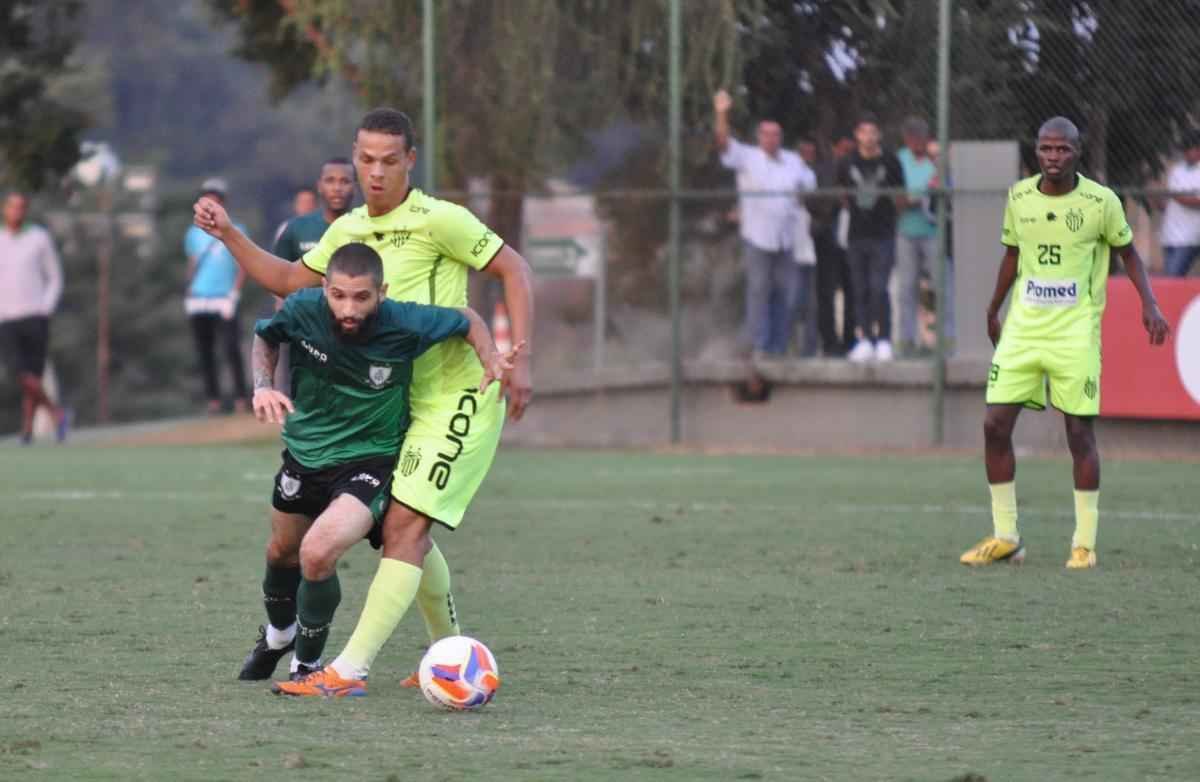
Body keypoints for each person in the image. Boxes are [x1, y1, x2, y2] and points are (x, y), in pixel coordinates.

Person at [193, 107, 534, 697]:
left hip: (459, 392)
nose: (376, 172)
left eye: (389, 160)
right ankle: (447, 649)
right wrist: (228, 233)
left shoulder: (439, 219)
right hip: (403, 403)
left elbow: (514, 268)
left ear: (410, 162)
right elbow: (285, 282)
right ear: (355, 159)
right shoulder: (346, 230)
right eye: (366, 159)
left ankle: (345, 672)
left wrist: (517, 360)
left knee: (403, 521)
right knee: (400, 531)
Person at [238, 242, 516, 684]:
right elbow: (267, 337)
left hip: (369, 462)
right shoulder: (303, 309)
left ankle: (308, 666)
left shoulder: (404, 321)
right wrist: (262, 386)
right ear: (325, 288)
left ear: (381, 292)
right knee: (281, 552)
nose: (349, 308)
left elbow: (466, 318)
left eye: (362, 297)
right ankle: (279, 635)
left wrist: (490, 357)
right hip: (305, 452)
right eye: (339, 295)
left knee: (317, 552)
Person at [960, 117, 1170, 570]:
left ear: (1077, 152)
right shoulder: (1019, 197)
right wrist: (993, 308)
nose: (1053, 157)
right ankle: (1006, 538)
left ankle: (1084, 545)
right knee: (994, 426)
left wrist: (1149, 305)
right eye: (1045, 149)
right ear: (1036, 151)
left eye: (1062, 150)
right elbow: (1013, 255)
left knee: (1078, 433)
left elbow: (1128, 253)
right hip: (1023, 329)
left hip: (1075, 331)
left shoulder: (1101, 202)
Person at [713, 89, 817, 357]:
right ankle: (758, 345)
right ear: (759, 137)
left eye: (776, 135)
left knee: (786, 294)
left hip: (786, 238)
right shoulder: (747, 156)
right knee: (758, 291)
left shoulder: (793, 161)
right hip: (757, 236)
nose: (771, 139)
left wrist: (803, 196)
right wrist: (722, 113)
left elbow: (809, 185)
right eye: (766, 134)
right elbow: (723, 143)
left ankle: (778, 347)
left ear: (781, 138)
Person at [271, 158, 356, 387]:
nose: (337, 187)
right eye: (330, 181)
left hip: (354, 329)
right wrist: (282, 314)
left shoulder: (365, 227)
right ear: (319, 185)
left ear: (355, 186)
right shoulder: (296, 228)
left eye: (345, 181)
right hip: (305, 330)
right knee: (304, 396)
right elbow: (279, 275)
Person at [0, 191, 69, 444]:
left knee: (33, 375)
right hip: (7, 316)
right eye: (12, 207)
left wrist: (46, 307)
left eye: (21, 207)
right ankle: (56, 413)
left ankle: (27, 430)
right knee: (20, 372)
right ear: (4, 209)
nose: (16, 212)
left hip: (35, 315)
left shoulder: (38, 237)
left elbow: (55, 276)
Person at [837, 117, 904, 362]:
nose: (868, 136)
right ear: (857, 135)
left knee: (879, 287)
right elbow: (842, 195)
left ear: (879, 135)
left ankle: (884, 340)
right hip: (856, 236)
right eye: (863, 132)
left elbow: (900, 195)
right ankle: (864, 339)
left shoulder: (891, 160)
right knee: (859, 288)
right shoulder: (847, 162)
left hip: (883, 235)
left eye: (873, 132)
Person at [183, 178, 250, 414]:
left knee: (231, 348)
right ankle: (213, 400)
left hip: (225, 297)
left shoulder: (236, 230)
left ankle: (241, 398)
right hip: (201, 296)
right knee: (205, 351)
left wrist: (235, 292)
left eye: (216, 199)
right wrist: (189, 289)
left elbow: (243, 264)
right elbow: (192, 262)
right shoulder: (193, 233)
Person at [894, 117, 954, 356]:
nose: (917, 141)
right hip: (906, 232)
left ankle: (948, 341)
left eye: (921, 136)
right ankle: (907, 342)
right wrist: (919, 197)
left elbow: (945, 192)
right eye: (912, 137)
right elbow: (898, 199)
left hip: (933, 232)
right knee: (906, 289)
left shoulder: (937, 160)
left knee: (943, 286)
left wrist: (916, 197)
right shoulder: (899, 160)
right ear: (906, 139)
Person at [802, 136, 857, 356]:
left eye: (850, 150)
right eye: (843, 149)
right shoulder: (821, 171)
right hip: (828, 237)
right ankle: (830, 343)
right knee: (826, 292)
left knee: (853, 291)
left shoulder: (858, 169)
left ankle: (851, 340)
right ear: (834, 149)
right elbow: (811, 202)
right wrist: (836, 200)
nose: (846, 154)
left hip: (854, 237)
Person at [1160, 129, 1200, 278]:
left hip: (1189, 237)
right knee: (1170, 278)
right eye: (1185, 149)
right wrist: (1159, 201)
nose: (1186, 153)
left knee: (1172, 277)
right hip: (1169, 235)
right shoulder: (1177, 170)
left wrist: (1178, 198)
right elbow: (1169, 201)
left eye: (1190, 149)